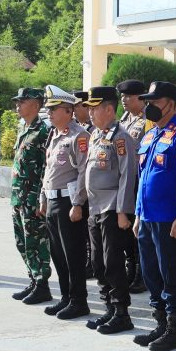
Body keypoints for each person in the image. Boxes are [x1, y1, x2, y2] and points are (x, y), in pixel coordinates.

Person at [129, 81, 176, 351]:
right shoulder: (149, 136)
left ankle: (174, 330)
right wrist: (137, 213)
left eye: (155, 102)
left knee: (172, 273)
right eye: (148, 101)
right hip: (147, 217)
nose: (150, 106)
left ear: (171, 104)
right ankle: (159, 324)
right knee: (151, 273)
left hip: (170, 219)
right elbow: (142, 178)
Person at [82, 86, 138, 334]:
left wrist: (123, 210)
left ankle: (121, 312)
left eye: (94, 108)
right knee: (97, 262)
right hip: (95, 207)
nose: (90, 113)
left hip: (113, 207)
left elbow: (127, 175)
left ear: (108, 109)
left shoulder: (121, 137)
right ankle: (109, 308)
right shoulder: (96, 134)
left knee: (113, 261)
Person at [39, 85, 91, 320]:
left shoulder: (79, 136)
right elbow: (48, 170)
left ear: (69, 111)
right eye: (48, 109)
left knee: (73, 254)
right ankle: (66, 297)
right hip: (52, 201)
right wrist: (43, 197)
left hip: (69, 203)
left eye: (54, 109)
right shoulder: (55, 134)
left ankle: (79, 301)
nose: (49, 113)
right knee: (58, 254)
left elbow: (83, 172)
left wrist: (78, 204)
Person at [9, 88, 53, 304]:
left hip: (32, 199)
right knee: (22, 242)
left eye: (22, 102)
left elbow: (46, 168)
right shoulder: (23, 127)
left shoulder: (43, 131)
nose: (18, 105)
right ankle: (33, 280)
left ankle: (42, 285)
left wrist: (38, 199)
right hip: (18, 197)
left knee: (35, 242)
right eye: (17, 101)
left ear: (36, 105)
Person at [118, 80, 153, 295]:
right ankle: (131, 269)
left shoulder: (148, 120)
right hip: (126, 181)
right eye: (123, 97)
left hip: (140, 181)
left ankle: (142, 274)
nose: (124, 100)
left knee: (139, 231)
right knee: (127, 233)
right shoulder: (124, 119)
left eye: (129, 97)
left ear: (141, 98)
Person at [74, 90, 95, 278]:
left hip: (91, 188)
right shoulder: (77, 128)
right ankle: (86, 260)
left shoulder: (93, 130)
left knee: (90, 229)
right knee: (81, 229)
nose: (74, 110)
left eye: (76, 106)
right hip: (77, 186)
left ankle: (91, 262)